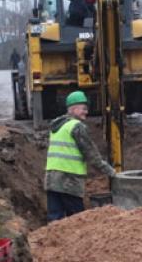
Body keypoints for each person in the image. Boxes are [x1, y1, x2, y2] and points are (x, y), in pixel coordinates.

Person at [45, 91, 116, 223]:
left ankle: (55, 243)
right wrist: (111, 172)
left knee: (55, 219)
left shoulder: (57, 126)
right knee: (78, 220)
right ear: (74, 108)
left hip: (52, 179)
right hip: (69, 180)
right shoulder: (76, 127)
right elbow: (91, 155)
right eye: (83, 108)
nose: (86, 112)